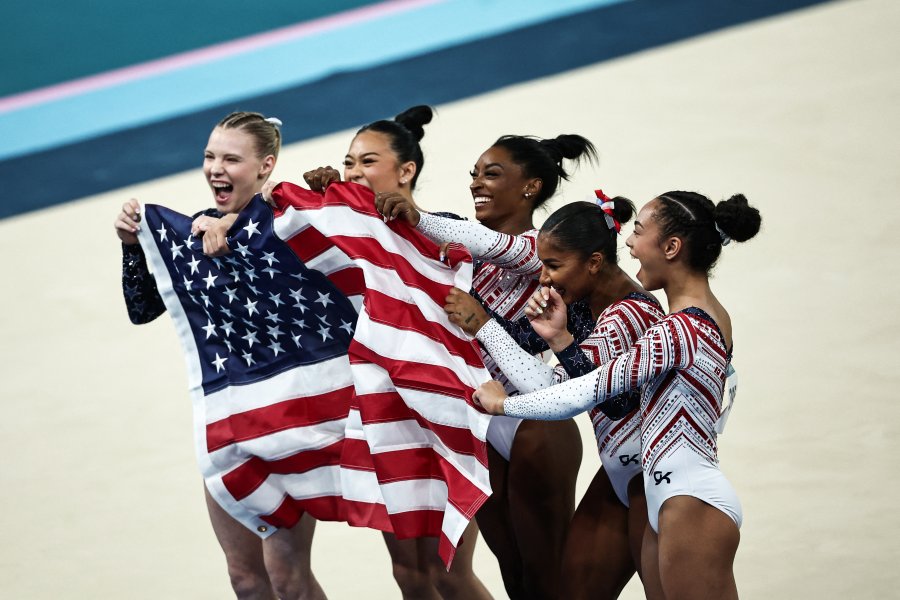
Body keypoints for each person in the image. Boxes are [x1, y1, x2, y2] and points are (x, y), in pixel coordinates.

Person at [201, 106, 493, 600]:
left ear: (406, 171)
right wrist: (226, 221)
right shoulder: (339, 229)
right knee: (409, 574)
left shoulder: (444, 229)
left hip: (442, 407)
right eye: (349, 163)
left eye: (368, 162)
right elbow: (279, 262)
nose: (355, 172)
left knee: (449, 572)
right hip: (386, 413)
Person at [473, 191, 762, 600]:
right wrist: (559, 339)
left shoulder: (682, 328)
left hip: (688, 497)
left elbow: (588, 393)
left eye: (639, 231)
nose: (627, 243)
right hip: (666, 491)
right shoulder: (689, 321)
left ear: (672, 247)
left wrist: (504, 405)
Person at [114, 112, 327, 600]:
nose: (215, 168)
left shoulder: (288, 219)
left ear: (265, 165)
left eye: (231, 158)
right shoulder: (192, 234)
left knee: (287, 578)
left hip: (288, 415)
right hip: (232, 421)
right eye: (210, 156)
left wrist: (246, 229)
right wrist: (132, 247)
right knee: (245, 580)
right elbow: (143, 309)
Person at [376, 134, 597, 599]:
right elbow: (386, 234)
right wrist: (335, 191)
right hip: (484, 417)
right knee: (513, 570)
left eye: (491, 174)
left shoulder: (537, 248)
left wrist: (423, 217)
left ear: (531, 187)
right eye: (474, 175)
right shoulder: (459, 246)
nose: (477, 183)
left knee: (546, 574)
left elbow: (487, 242)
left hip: (532, 422)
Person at [444, 191, 665, 598]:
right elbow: (525, 343)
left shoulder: (632, 314)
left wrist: (486, 326)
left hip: (652, 476)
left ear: (594, 262)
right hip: (619, 471)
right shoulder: (582, 303)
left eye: (553, 265)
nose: (543, 277)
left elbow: (595, 398)